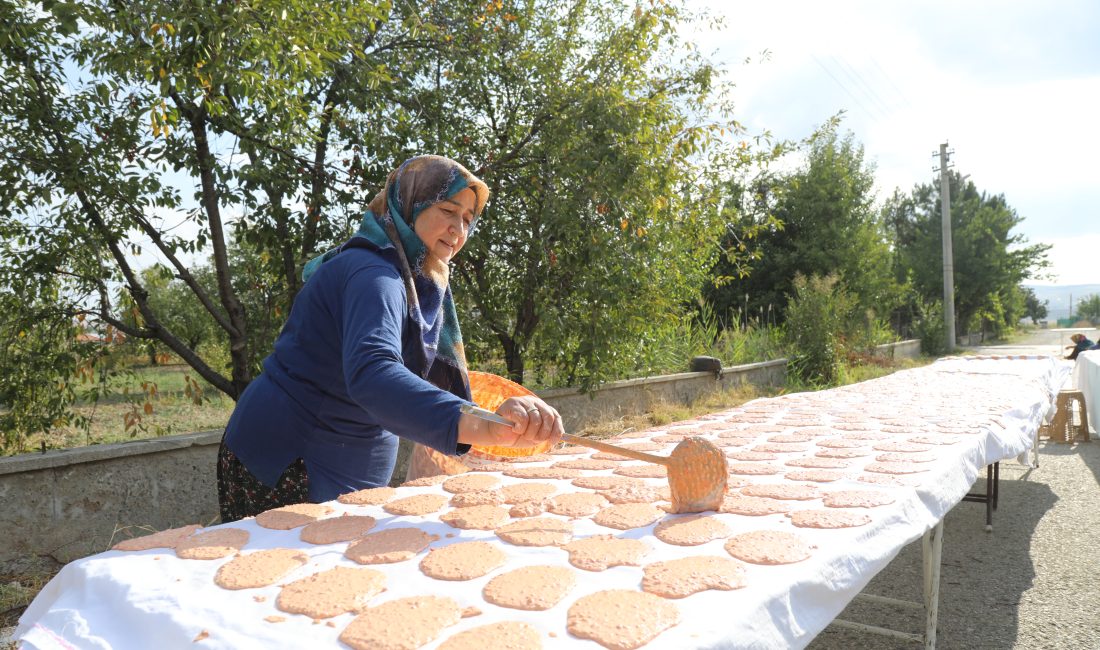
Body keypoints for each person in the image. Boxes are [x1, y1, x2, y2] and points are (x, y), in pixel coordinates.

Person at [216, 155, 563, 522]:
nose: (458, 229)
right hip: (292, 457)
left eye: (467, 219)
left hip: (346, 456)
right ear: (409, 204)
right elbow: (374, 374)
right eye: (447, 209)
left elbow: (407, 379)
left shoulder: (416, 279)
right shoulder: (374, 275)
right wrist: (483, 426)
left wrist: (489, 416)